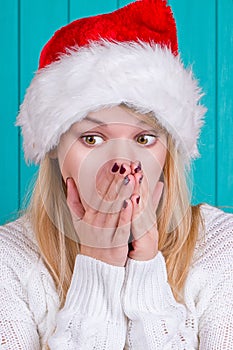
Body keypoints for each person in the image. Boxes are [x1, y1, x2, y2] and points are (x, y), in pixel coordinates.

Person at [0, 0, 232, 349]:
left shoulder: (220, 247)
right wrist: (97, 267)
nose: (122, 164)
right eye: (92, 138)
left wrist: (148, 276)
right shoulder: (9, 261)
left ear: (168, 151)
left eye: (144, 138)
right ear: (53, 147)